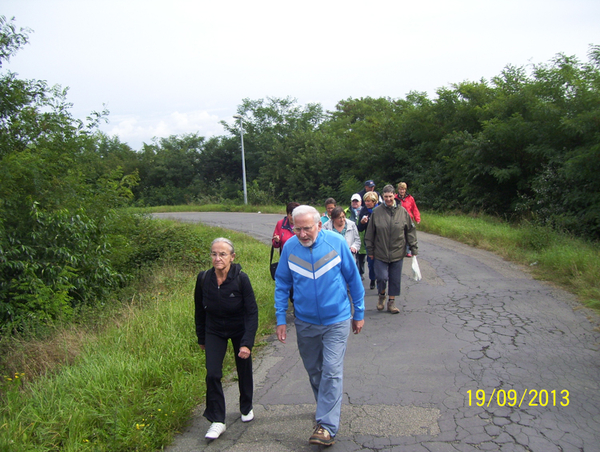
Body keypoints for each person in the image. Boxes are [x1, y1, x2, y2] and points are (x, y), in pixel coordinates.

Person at [275, 205, 365, 447]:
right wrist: (281, 319)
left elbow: (353, 279)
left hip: (337, 319)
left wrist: (360, 312)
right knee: (315, 371)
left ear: (318, 225)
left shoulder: (335, 243)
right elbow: (282, 283)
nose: (302, 234)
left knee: (332, 370)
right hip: (305, 322)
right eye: (297, 229)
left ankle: (326, 425)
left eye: (307, 229)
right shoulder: (290, 248)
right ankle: (325, 407)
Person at [194, 238, 259, 440]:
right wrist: (201, 337)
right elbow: (199, 310)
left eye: (222, 254)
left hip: (239, 328)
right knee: (212, 373)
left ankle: (246, 406)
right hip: (214, 330)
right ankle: (217, 421)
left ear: (232, 257)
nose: (217, 258)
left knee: (243, 368)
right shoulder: (204, 278)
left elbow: (252, 312)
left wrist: (247, 343)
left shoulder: (241, 278)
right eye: (214, 253)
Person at [364, 185, 418, 314]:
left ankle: (391, 302)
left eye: (390, 196)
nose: (388, 199)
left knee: (395, 278)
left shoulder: (403, 212)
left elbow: (410, 231)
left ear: (394, 196)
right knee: (382, 277)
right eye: (386, 196)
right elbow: (370, 233)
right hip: (380, 251)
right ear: (382, 197)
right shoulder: (377, 212)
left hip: (397, 251)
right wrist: (370, 251)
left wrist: (413, 248)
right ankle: (382, 295)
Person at [357, 191, 380, 289]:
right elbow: (359, 228)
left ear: (374, 201)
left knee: (380, 262)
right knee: (371, 262)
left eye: (369, 201)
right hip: (369, 240)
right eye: (365, 201)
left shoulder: (380, 210)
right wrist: (362, 222)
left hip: (380, 240)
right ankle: (372, 279)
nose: (366, 203)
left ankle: (381, 280)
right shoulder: (364, 211)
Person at [395, 182, 421, 258]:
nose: (402, 191)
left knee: (408, 235)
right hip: (399, 219)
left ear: (405, 190)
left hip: (408, 219)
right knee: (400, 235)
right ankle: (399, 250)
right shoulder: (395, 198)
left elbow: (414, 209)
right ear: (398, 190)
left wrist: (417, 218)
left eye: (403, 189)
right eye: (400, 189)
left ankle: (407, 251)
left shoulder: (410, 198)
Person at [345, 194, 367, 278]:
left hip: (362, 237)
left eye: (356, 201)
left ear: (361, 202)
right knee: (353, 257)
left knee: (361, 258)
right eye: (353, 201)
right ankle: (355, 275)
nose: (355, 203)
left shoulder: (364, 211)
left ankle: (360, 273)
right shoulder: (346, 211)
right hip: (350, 237)